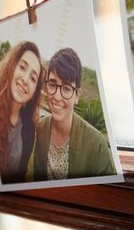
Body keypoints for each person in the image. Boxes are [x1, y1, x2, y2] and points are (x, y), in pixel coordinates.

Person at [33, 48, 116, 181]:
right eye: (52, 85)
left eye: (66, 88)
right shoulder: (40, 129)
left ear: (77, 95)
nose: (57, 97)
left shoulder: (97, 145)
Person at [0, 40, 43, 183]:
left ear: (33, 93)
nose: (25, 80)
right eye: (22, 67)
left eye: (33, 78)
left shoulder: (29, 129)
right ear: (11, 67)